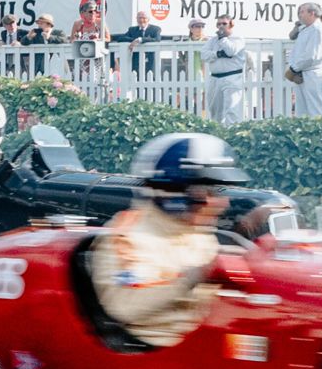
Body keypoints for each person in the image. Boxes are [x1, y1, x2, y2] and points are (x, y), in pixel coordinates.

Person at [89, 132, 247, 349]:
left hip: (205, 345)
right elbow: (124, 306)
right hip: (159, 353)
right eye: (209, 191)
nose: (223, 202)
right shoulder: (128, 236)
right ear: (176, 191)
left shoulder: (197, 234)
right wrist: (193, 276)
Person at [286, 1, 322, 119]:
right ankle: (306, 136)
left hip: (314, 73)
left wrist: (293, 69)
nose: (299, 15)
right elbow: (297, 52)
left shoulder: (318, 29)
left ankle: (321, 136)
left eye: (302, 12)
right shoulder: (305, 29)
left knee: (317, 109)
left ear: (312, 13)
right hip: (302, 73)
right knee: (302, 111)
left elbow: (312, 55)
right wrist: (295, 70)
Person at [202, 17, 247, 125]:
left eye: (224, 23)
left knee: (232, 110)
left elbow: (231, 51)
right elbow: (204, 55)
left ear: (231, 24)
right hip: (215, 77)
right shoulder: (212, 40)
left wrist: (223, 39)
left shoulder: (237, 39)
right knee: (215, 111)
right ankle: (217, 134)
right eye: (219, 24)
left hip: (232, 77)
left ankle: (233, 136)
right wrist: (218, 54)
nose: (221, 26)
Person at [23, 12, 68, 76]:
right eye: (38, 23)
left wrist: (49, 37)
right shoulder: (36, 35)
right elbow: (23, 42)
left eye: (41, 23)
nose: (39, 26)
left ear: (49, 24)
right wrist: (28, 37)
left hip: (57, 64)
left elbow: (64, 40)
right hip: (40, 66)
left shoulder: (58, 32)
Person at [123, 10, 162, 79]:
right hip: (136, 60)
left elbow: (157, 39)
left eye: (144, 18)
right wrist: (134, 40)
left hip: (150, 59)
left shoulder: (155, 29)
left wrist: (140, 40)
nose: (141, 20)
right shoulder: (132, 30)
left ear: (148, 19)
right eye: (139, 18)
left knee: (151, 79)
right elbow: (122, 38)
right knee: (136, 80)